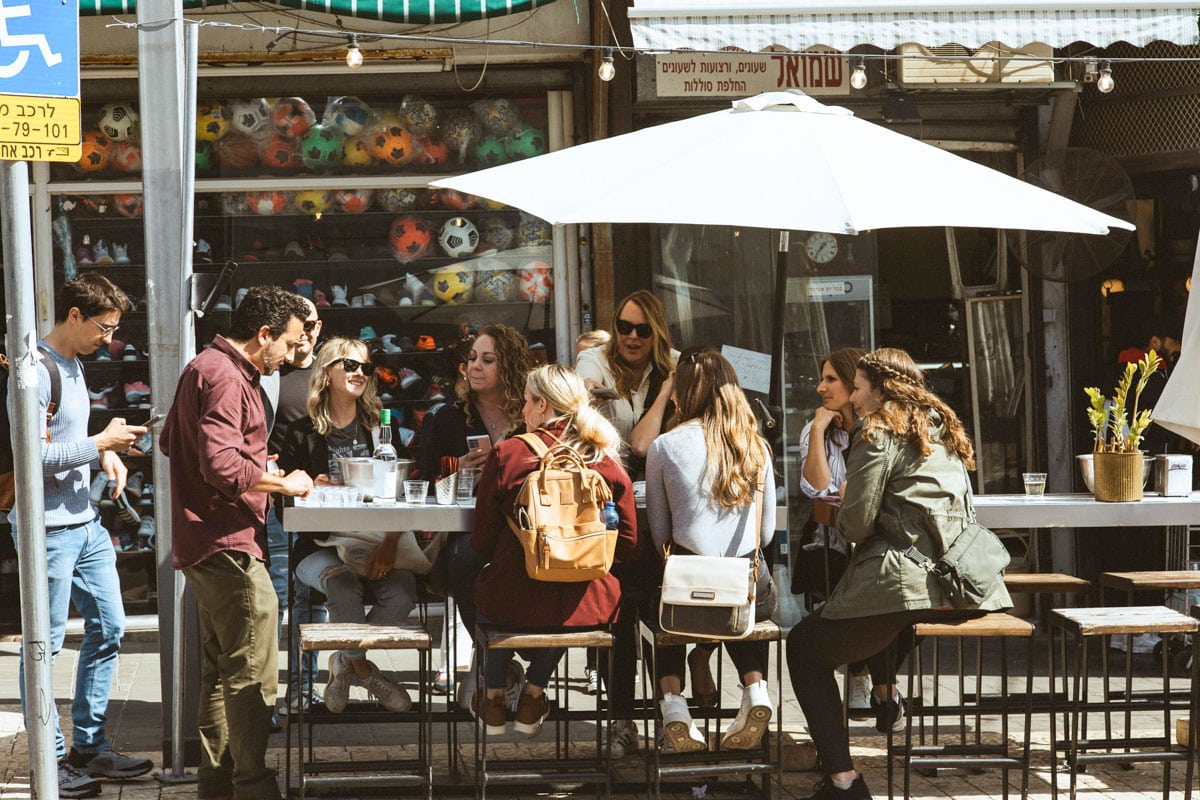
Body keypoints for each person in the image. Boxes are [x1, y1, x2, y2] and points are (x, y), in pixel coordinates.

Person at [785, 347, 1012, 800]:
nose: (855, 395)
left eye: (859, 387)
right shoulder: (939, 426)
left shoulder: (876, 427)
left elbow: (854, 524)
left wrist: (850, 493)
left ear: (877, 390)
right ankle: (884, 696)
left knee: (805, 648)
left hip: (905, 581)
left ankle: (844, 782)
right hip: (960, 582)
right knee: (878, 620)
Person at [163, 285, 315, 800]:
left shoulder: (205, 366)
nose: (293, 355)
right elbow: (221, 463)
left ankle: (218, 785)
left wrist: (255, 464)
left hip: (206, 537)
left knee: (220, 670)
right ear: (264, 334)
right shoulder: (228, 376)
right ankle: (253, 786)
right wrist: (281, 481)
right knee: (253, 672)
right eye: (290, 343)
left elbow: (174, 443)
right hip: (226, 540)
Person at [9, 273, 151, 798]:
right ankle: (51, 761)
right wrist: (100, 443)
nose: (109, 339)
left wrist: (107, 453)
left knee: (110, 627)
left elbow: (67, 438)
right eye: (104, 327)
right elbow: (32, 456)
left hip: (83, 524)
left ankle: (89, 747)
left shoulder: (74, 365)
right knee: (43, 648)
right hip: (46, 528)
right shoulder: (34, 370)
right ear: (74, 316)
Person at [469, 364, 640, 737]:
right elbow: (626, 544)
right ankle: (533, 692)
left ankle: (495, 694)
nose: (523, 411)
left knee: (488, 585)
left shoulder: (508, 454)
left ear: (542, 405)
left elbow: (481, 540)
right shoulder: (604, 459)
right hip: (589, 607)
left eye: (528, 402)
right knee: (566, 592)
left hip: (512, 603)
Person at [645, 347, 778, 752]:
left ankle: (673, 704)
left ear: (681, 393)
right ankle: (755, 690)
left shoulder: (664, 446)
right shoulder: (756, 446)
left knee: (663, 599)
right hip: (747, 588)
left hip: (687, 591)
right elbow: (767, 534)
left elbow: (660, 535)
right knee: (741, 600)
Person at [278, 337, 415, 714]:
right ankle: (362, 670)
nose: (359, 374)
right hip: (319, 547)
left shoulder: (379, 428)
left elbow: (399, 495)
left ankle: (343, 664)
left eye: (365, 368)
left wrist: (390, 542)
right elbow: (282, 508)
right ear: (326, 372)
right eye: (350, 366)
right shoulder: (300, 432)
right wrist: (309, 488)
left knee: (403, 590)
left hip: (374, 542)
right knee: (342, 585)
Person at [419, 324, 534, 698]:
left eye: (488, 360)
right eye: (471, 359)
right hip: (467, 526)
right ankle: (497, 660)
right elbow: (423, 480)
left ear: (511, 366)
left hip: (521, 527)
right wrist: (459, 470)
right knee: (463, 564)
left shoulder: (529, 415)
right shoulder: (447, 418)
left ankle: (493, 664)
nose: (475, 367)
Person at [796, 348, 875, 718]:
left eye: (830, 379)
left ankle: (871, 676)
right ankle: (861, 674)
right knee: (842, 566)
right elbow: (817, 489)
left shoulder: (877, 430)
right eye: (821, 378)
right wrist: (816, 431)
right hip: (832, 546)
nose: (820, 388)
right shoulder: (817, 433)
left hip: (872, 542)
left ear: (853, 384)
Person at [263, 297, 327, 716]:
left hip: (322, 502)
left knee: (315, 599)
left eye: (312, 323)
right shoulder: (268, 373)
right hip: (275, 499)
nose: (305, 331)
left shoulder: (333, 370)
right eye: (298, 323)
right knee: (278, 600)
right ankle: (266, 701)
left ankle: (304, 690)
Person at [577, 290, 679, 454]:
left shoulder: (674, 364)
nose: (633, 336)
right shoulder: (594, 359)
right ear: (615, 328)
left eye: (643, 330)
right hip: (606, 475)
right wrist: (585, 388)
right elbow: (583, 382)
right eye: (624, 327)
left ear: (657, 333)